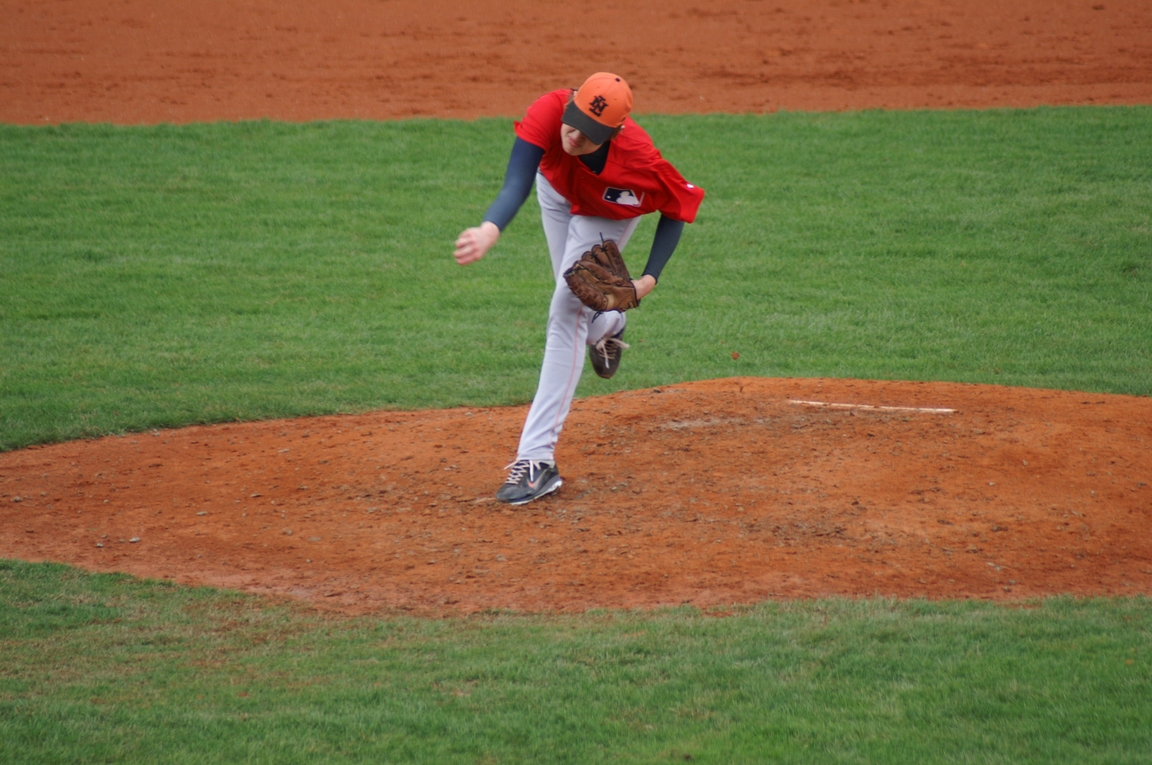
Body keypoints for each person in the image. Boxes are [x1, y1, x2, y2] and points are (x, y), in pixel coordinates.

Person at [453, 72, 704, 505]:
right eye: (574, 121)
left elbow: (678, 205)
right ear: (570, 104)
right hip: (555, 190)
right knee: (581, 311)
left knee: (566, 311)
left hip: (606, 212)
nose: (574, 135)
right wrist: (490, 228)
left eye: (589, 134)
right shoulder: (549, 111)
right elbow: (516, 181)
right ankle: (610, 322)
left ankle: (537, 460)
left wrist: (647, 280)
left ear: (613, 133)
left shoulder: (637, 158)